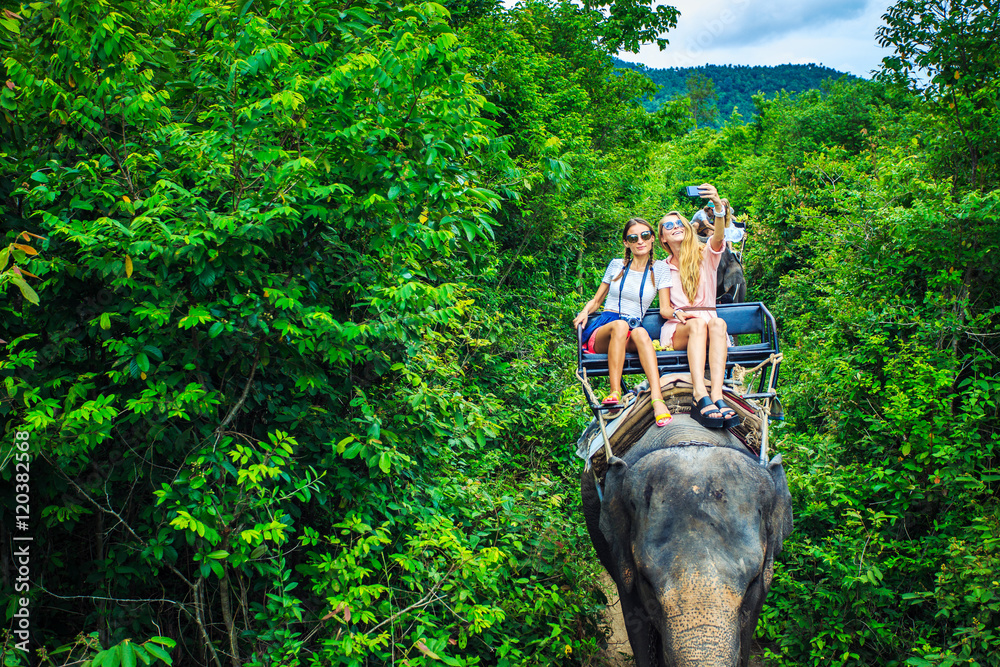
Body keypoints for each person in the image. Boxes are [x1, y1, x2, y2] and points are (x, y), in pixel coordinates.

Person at [573, 218, 673, 427]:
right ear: (626, 243)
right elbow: (597, 300)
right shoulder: (617, 265)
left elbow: (665, 308)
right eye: (633, 238)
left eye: (645, 236)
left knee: (641, 334)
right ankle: (615, 391)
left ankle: (657, 398)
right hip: (606, 328)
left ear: (653, 239)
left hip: (633, 327)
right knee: (620, 325)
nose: (640, 241)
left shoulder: (660, 270)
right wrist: (584, 312)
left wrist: (683, 313)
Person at [656, 184, 740, 429]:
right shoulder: (663, 266)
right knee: (698, 324)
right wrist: (677, 313)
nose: (676, 227)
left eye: (679, 223)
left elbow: (718, 237)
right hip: (681, 327)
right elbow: (663, 309)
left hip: (707, 322)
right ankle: (699, 392)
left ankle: (717, 395)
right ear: (662, 237)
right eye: (668, 226)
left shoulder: (706, 255)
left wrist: (717, 206)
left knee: (718, 323)